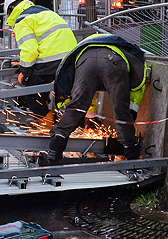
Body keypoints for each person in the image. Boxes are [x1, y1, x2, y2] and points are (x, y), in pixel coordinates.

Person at [46, 33, 146, 162]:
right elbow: (137, 89)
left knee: (76, 108)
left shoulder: (87, 45)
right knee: (120, 109)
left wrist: (70, 110)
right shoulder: (128, 54)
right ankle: (131, 152)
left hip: (85, 61)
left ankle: (54, 150)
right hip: (113, 61)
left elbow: (83, 95)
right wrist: (131, 113)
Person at [4, 0, 77, 116]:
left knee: (32, 92)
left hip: (50, 61)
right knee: (63, 93)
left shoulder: (22, 20)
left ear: (11, 9)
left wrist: (24, 71)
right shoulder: (45, 12)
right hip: (71, 57)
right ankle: (64, 120)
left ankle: (44, 120)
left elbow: (30, 50)